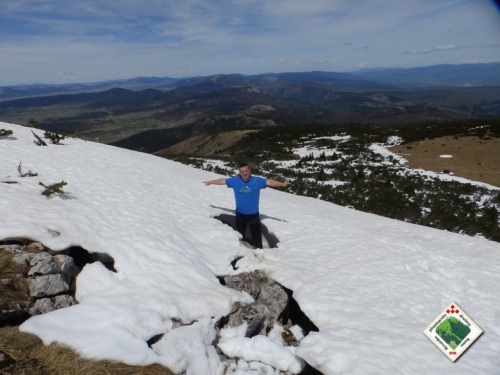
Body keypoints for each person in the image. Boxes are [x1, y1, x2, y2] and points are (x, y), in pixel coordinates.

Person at [203, 163, 291, 249]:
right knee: (240, 234)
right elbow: (223, 181)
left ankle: (259, 249)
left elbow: (269, 182)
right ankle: (242, 249)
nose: (244, 173)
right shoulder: (235, 180)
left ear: (249, 171)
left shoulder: (257, 181)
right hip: (240, 214)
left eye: (246, 171)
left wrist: (282, 184)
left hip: (253, 215)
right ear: (239, 173)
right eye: (242, 172)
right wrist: (211, 182)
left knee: (256, 235)